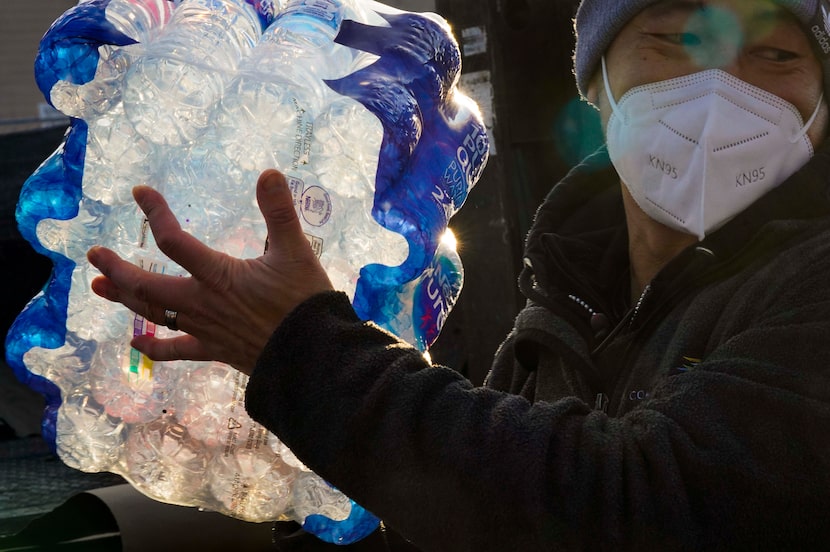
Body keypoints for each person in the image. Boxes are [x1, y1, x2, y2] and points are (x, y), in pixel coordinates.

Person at [86, 0, 830, 549]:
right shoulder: (567, 307)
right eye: (676, 41)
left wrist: (304, 349)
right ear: (595, 80)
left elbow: (635, 505)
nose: (721, 92)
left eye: (776, 58)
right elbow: (481, 509)